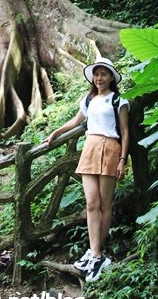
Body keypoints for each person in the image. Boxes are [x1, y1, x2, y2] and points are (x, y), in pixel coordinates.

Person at [44, 56, 129, 283]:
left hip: (110, 148)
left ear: (111, 77)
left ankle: (97, 254)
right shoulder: (88, 99)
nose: (99, 78)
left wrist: (122, 160)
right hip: (90, 148)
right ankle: (95, 253)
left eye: (104, 74)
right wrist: (55, 133)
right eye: (96, 74)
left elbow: (125, 132)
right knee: (91, 203)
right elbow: (75, 121)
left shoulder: (118, 101)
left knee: (105, 204)